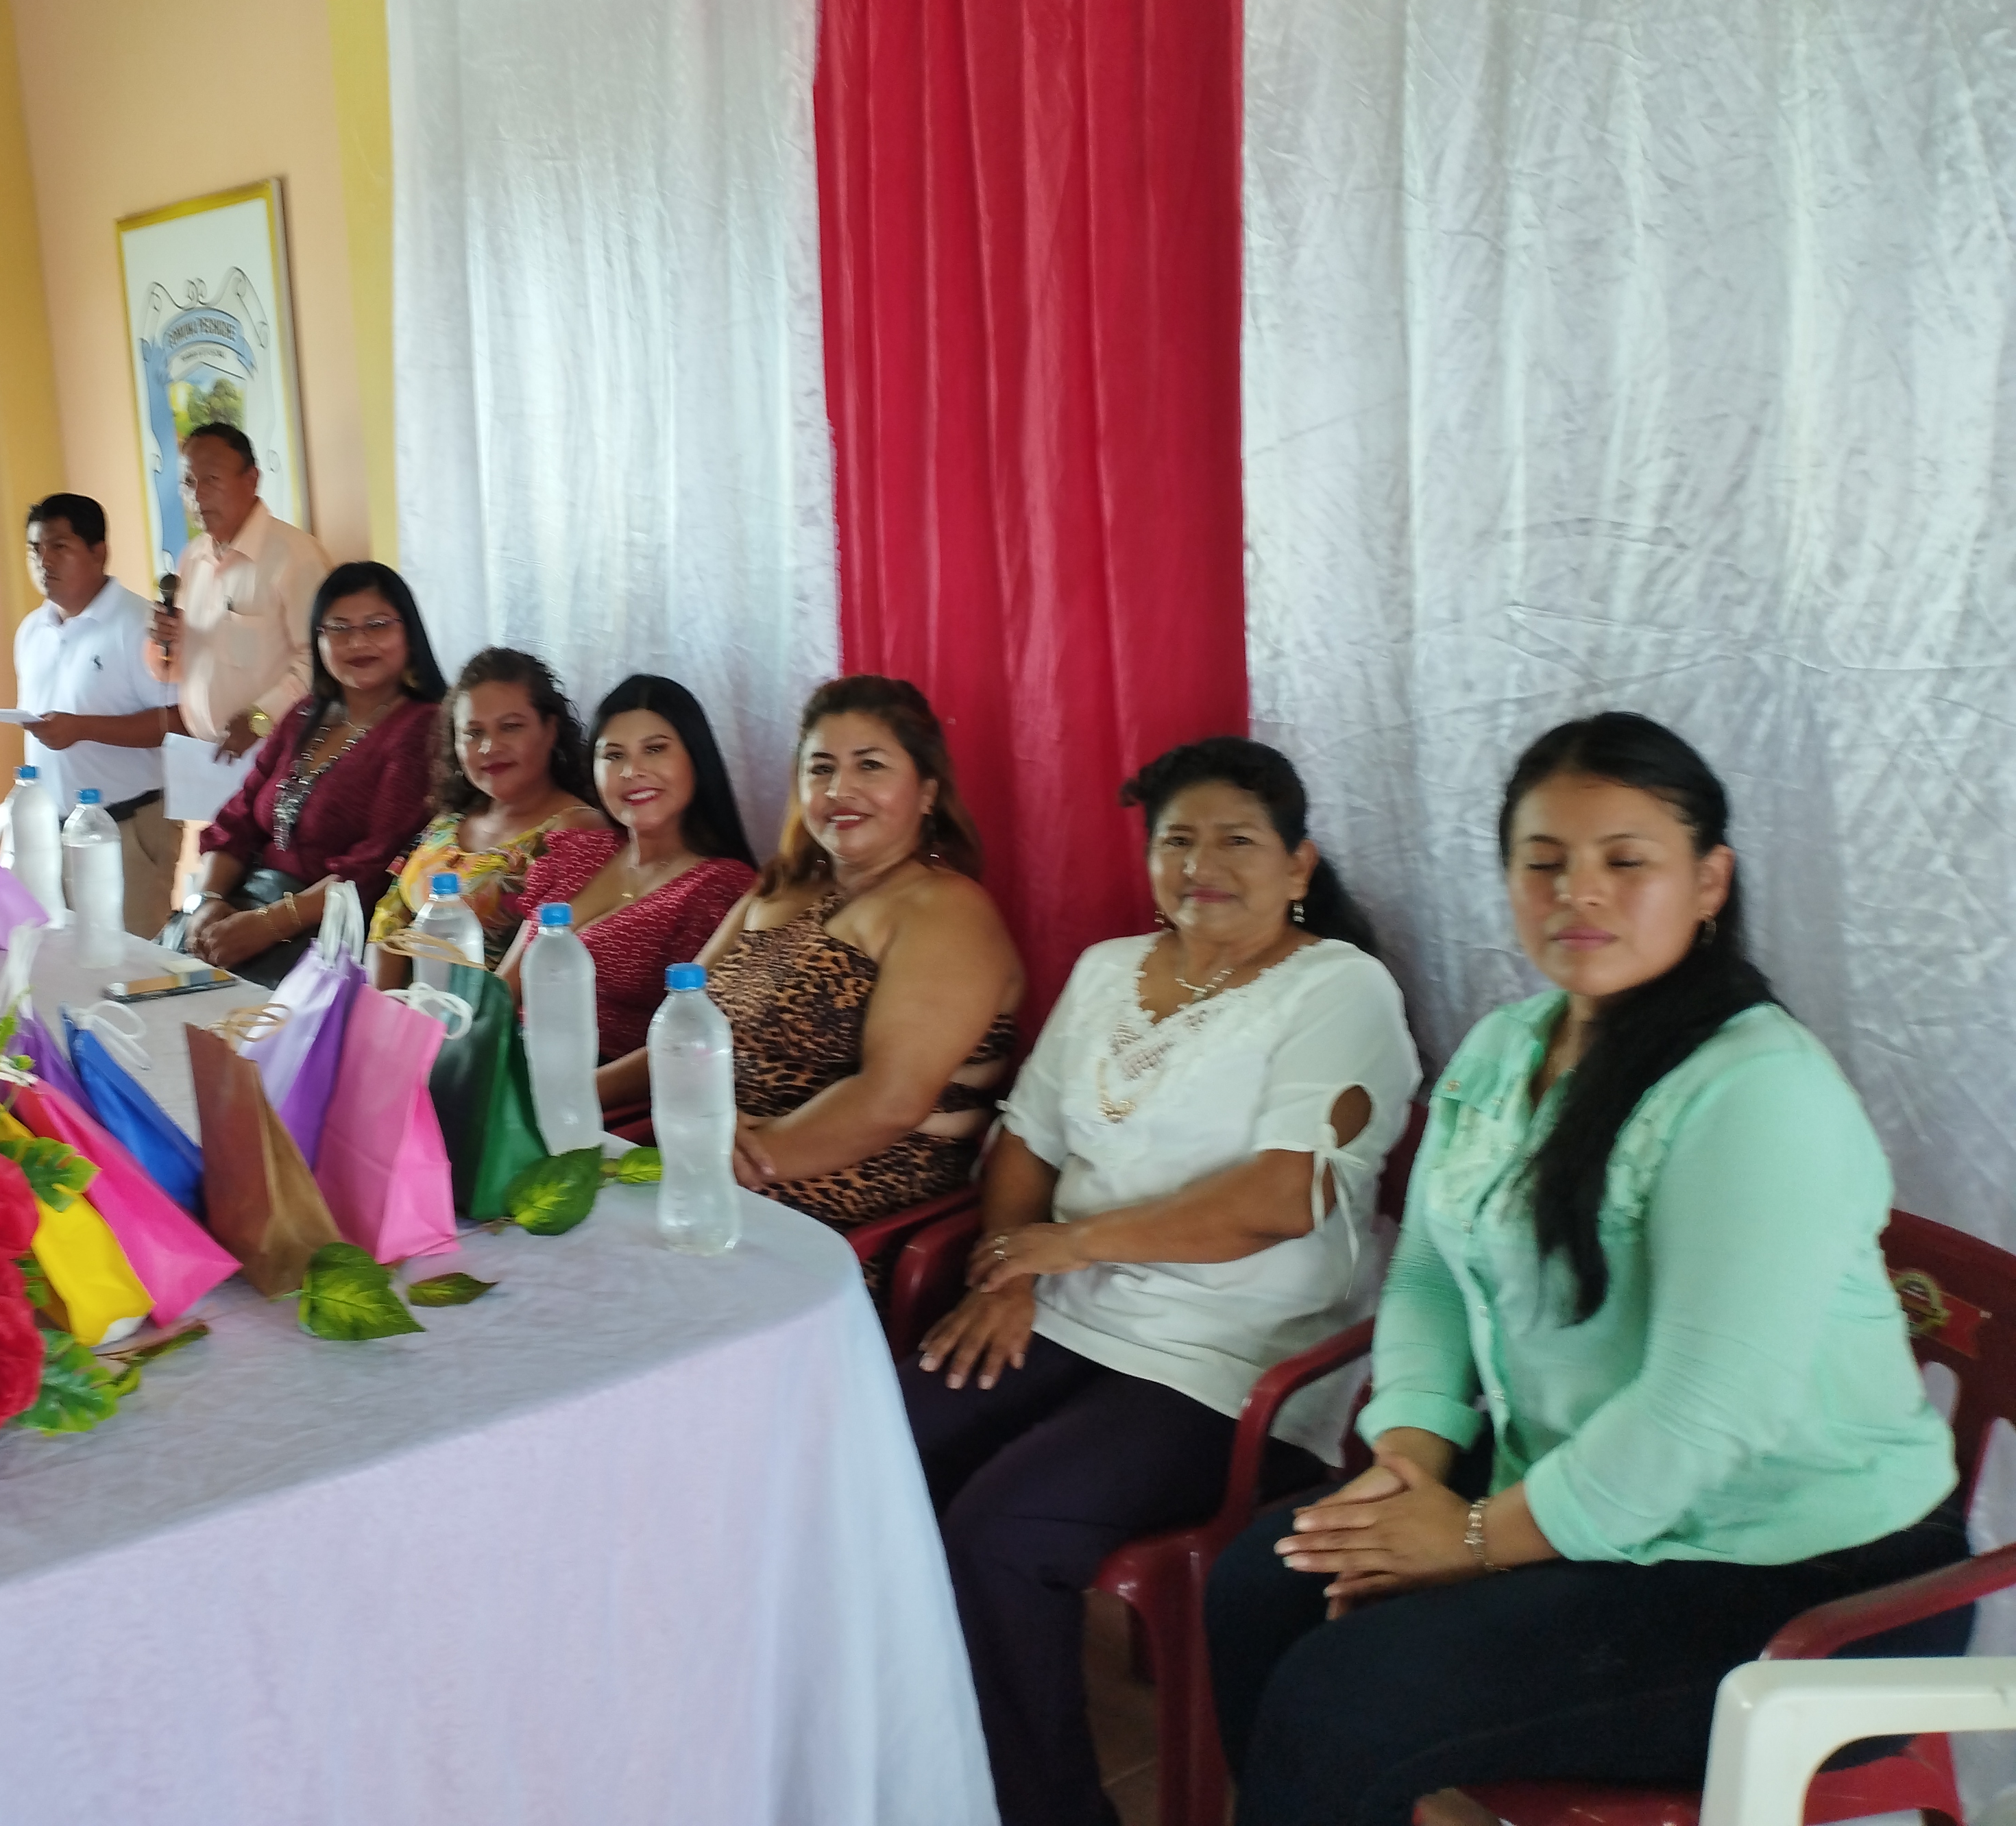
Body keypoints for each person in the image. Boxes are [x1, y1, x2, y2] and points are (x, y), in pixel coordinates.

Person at [1206, 713, 1967, 1826]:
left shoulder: (1759, 1091)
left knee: (1344, 1698)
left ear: (1709, 882)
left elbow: (1704, 1412)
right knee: (1260, 1580)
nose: (1579, 893)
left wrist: (1471, 1540)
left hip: (1805, 1568)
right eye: (1544, 861)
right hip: (1584, 1486)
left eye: (1626, 861)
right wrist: (1411, 1465)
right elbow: (1430, 1276)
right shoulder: (1507, 1047)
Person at [900, 737, 1420, 1826]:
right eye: (1177, 840)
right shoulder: (1107, 971)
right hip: (1064, 1311)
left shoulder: (1340, 988)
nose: (1201, 865)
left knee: (1000, 1535)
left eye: (1238, 841)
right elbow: (1027, 1144)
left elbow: (1279, 1198)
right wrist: (1009, 1273)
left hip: (1230, 1359)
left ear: (1299, 862)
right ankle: (914, 1764)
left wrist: (1068, 1247)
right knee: (876, 1455)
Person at [696, 675, 1024, 1230]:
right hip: (715, 1164)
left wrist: (717, 1169)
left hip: (843, 1203)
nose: (839, 789)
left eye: (870, 766)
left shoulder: (947, 910)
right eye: (821, 768)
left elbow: (891, 1102)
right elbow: (681, 1024)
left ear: (927, 792)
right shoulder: (778, 888)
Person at [497, 674, 758, 1123]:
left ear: (696, 759)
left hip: (599, 1096)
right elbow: (505, 986)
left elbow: (684, 1041)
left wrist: (562, 1100)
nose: (631, 771)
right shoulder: (581, 851)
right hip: (510, 1064)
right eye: (613, 755)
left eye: (655, 750)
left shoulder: (721, 887)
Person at [179, 562, 441, 984]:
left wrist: (266, 925)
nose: (358, 642)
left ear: (409, 632)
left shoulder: (422, 728)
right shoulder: (304, 715)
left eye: (377, 625)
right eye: (338, 628)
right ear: (317, 640)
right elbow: (237, 820)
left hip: (331, 938)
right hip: (245, 908)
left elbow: (378, 866)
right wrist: (206, 900)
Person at [368, 648, 601, 984]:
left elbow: (542, 952)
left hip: (490, 1012)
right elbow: (389, 915)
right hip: (404, 1007)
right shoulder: (448, 821)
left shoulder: (577, 829)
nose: (490, 747)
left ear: (550, 730)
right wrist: (380, 1005)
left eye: (510, 727)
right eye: (473, 733)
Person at [15, 493, 180, 937]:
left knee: (133, 959)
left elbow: (179, 723)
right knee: (63, 956)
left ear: (98, 552)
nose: (44, 561)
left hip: (128, 828)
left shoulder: (139, 624)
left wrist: (82, 728)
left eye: (59, 546)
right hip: (53, 831)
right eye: (35, 549)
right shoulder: (31, 631)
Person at [148, 421, 332, 760]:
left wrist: (261, 719)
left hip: (274, 755)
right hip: (207, 758)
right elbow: (175, 669)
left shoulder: (295, 557)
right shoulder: (193, 558)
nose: (198, 495)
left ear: (252, 479)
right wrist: (164, 642)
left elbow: (321, 661)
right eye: (189, 482)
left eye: (212, 479)